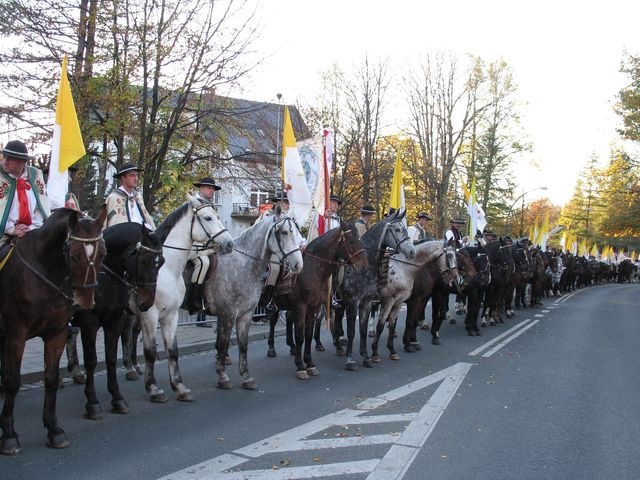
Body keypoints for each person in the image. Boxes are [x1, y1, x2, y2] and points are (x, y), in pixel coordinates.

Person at [258, 191, 306, 315]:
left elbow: (295, 236)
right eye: (285, 202)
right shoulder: (267, 215)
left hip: (284, 252)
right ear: (277, 203)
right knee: (274, 269)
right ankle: (267, 300)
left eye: (288, 202)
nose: (287, 205)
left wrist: (303, 243)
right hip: (268, 251)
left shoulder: (288, 219)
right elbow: (259, 232)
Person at [0, 140, 51, 248]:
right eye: (4, 157)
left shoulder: (36, 175)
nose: (5, 161)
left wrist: (31, 228)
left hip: (32, 232)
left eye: (10, 158)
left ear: (22, 162)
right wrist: (12, 229)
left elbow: (41, 207)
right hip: (2, 234)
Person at [187, 177, 222, 323]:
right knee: (203, 263)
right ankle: (194, 299)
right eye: (208, 188)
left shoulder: (210, 206)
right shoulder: (193, 204)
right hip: (193, 245)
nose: (211, 191)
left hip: (207, 247)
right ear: (200, 188)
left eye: (213, 189)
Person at [105, 163, 155, 230]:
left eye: (137, 175)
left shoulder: (138, 197)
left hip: (142, 236)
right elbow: (111, 224)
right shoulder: (113, 198)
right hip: (122, 238)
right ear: (123, 178)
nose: (136, 179)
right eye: (132, 175)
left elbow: (146, 218)